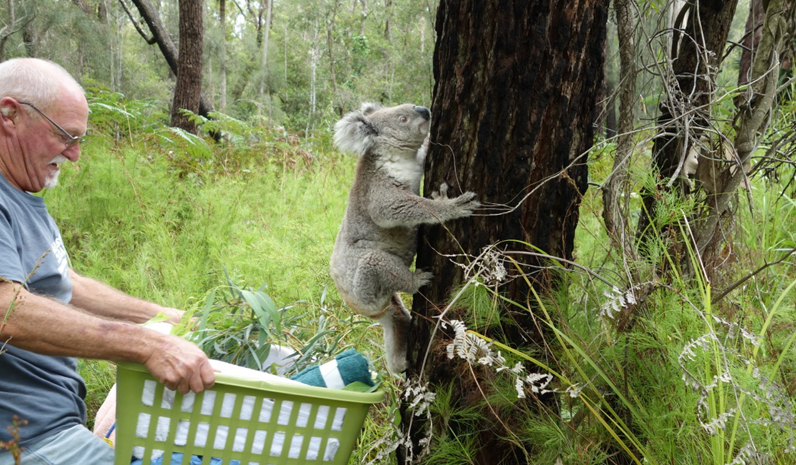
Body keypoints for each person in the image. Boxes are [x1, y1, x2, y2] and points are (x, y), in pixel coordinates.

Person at [0, 58, 216, 464]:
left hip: (57, 425)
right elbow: (5, 309)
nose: (75, 155)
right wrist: (144, 344)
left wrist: (164, 317)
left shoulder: (23, 194)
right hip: (25, 442)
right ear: (9, 114)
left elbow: (65, 282)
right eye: (65, 135)